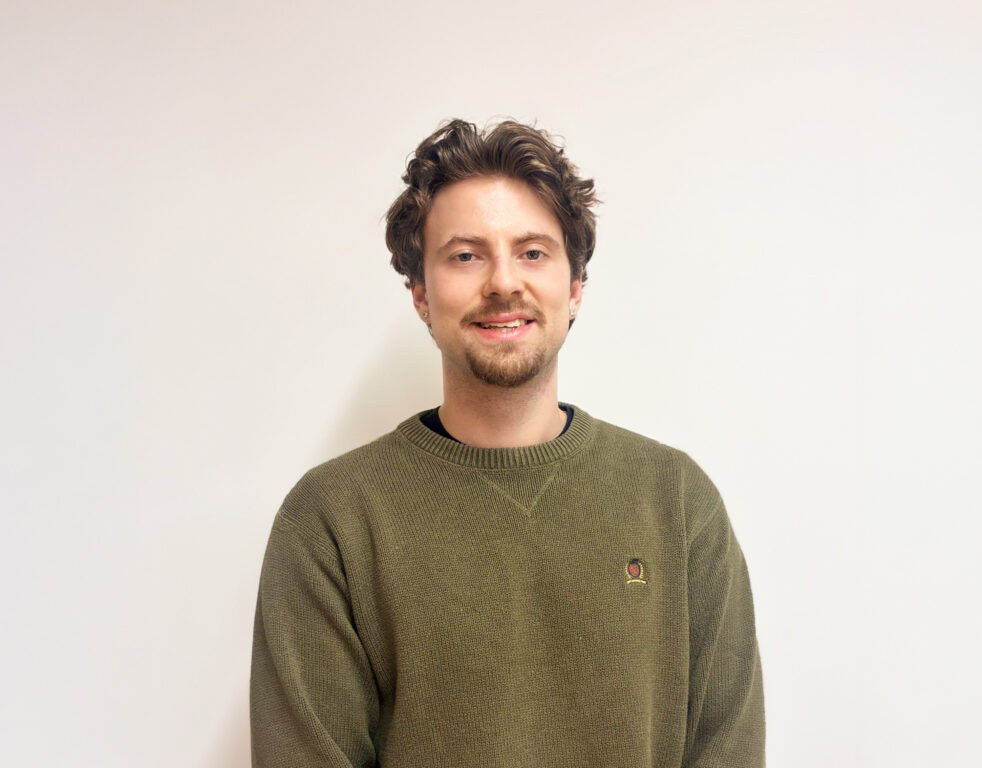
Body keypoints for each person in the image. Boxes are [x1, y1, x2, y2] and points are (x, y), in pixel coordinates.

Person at [250, 119, 765, 767]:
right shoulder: (331, 520)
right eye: (466, 255)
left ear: (574, 289)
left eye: (533, 253)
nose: (502, 282)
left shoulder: (678, 501)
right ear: (420, 294)